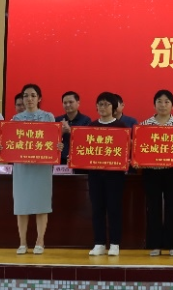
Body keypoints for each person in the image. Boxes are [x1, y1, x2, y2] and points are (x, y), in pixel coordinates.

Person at [0, 83, 62, 256]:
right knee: (22, 205)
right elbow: (8, 143)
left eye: (33, 95)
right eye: (26, 95)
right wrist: (1, 148)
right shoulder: (15, 120)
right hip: (22, 168)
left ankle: (40, 241)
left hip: (42, 167)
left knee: (42, 204)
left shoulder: (48, 117)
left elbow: (53, 140)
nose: (29, 99)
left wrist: (58, 146)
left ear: (39, 98)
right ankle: (22, 242)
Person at [140, 89, 173, 257]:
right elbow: (140, 149)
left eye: (167, 102)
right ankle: (154, 244)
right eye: (159, 101)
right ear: (154, 104)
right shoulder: (145, 125)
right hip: (152, 172)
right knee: (153, 207)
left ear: (172, 105)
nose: (163, 105)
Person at [85, 92, 129, 257]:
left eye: (107, 104)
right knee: (97, 209)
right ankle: (99, 243)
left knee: (114, 209)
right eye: (100, 104)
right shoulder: (91, 126)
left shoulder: (121, 126)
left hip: (115, 175)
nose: (103, 107)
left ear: (114, 107)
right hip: (95, 175)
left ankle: (115, 243)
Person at [55, 91, 92, 165]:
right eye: (65, 103)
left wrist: (70, 130)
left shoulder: (86, 120)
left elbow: (87, 141)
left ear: (78, 103)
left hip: (79, 159)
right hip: (60, 160)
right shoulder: (57, 120)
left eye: (71, 102)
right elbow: (51, 141)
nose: (67, 105)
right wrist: (61, 132)